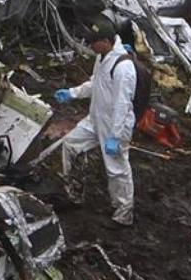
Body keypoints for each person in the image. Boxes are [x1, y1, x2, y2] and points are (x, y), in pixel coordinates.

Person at [53, 18, 137, 227]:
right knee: (70, 145)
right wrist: (72, 93)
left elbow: (122, 105)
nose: (90, 46)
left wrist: (115, 137)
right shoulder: (102, 58)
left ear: (106, 41)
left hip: (115, 125)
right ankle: (74, 194)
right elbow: (95, 84)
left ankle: (123, 215)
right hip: (95, 118)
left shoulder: (123, 68)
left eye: (93, 42)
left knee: (116, 170)